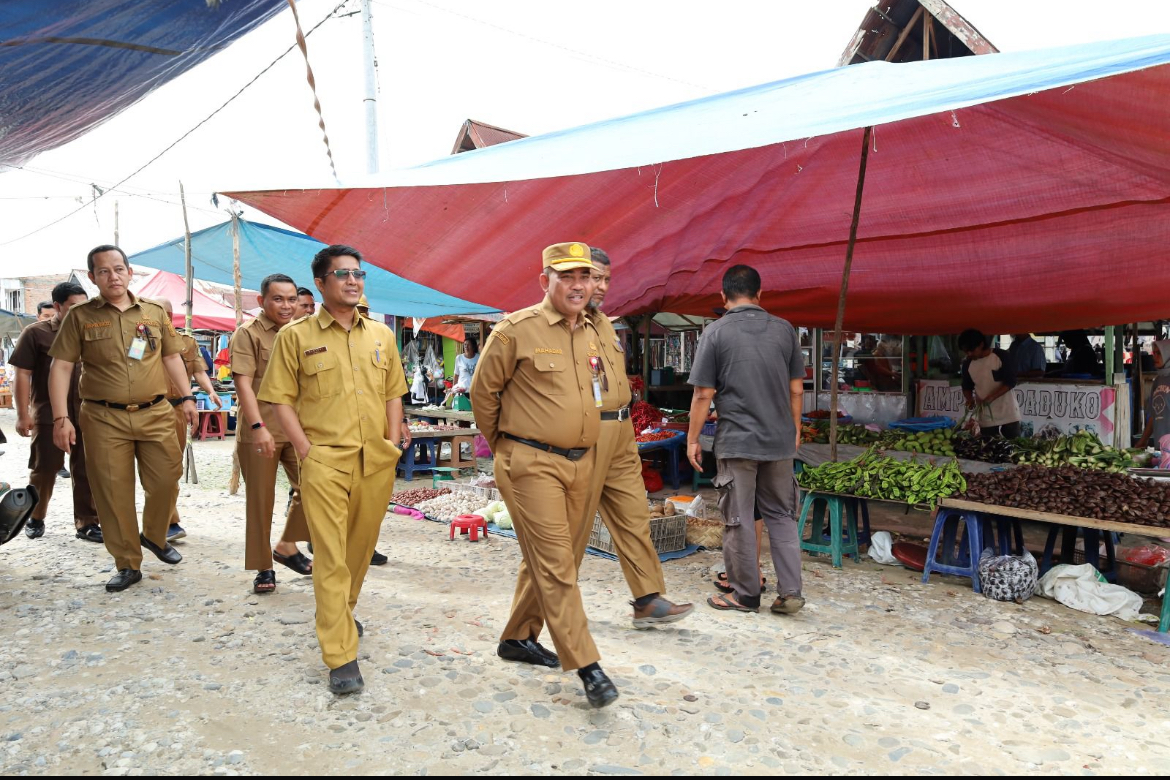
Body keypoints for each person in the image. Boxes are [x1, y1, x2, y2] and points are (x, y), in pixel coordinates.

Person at [472, 241, 619, 709]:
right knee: (557, 563)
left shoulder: (592, 330)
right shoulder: (516, 330)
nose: (578, 286)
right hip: (531, 462)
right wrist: (508, 448)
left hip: (581, 461)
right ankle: (588, 666)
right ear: (545, 281)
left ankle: (517, 637)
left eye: (584, 276)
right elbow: (483, 394)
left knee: (560, 558)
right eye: (566, 276)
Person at [259, 244, 406, 695]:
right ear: (321, 283)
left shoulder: (380, 335)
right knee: (330, 557)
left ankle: (341, 612)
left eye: (358, 274)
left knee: (359, 552)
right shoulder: (295, 336)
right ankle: (340, 655)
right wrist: (305, 449)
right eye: (342, 274)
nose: (353, 281)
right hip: (325, 461)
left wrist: (392, 442)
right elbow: (279, 399)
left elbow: (393, 392)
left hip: (375, 461)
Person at [48, 245, 196, 592]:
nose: (112, 276)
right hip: (103, 417)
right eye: (103, 271)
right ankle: (128, 563)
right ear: (92, 277)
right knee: (113, 492)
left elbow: (171, 356)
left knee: (167, 479)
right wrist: (60, 418)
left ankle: (154, 535)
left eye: (118, 269)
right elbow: (62, 367)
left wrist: (188, 396)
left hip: (156, 412)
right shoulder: (80, 316)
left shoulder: (154, 312)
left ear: (130, 272)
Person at [687, 264, 806, 616]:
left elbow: (703, 394)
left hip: (738, 441)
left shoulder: (716, 332)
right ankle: (790, 592)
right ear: (759, 294)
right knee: (781, 515)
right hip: (779, 441)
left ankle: (745, 595)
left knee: (738, 518)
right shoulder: (784, 330)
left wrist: (692, 439)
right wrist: (794, 429)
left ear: (723, 296)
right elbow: (797, 389)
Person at [230, 273, 313, 594]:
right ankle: (263, 566)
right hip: (260, 429)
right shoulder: (248, 334)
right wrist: (257, 427)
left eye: (291, 299)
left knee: (314, 487)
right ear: (262, 301)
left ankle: (287, 546)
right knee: (261, 502)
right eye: (278, 299)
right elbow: (243, 384)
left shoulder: (304, 333)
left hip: (297, 429)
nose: (286, 306)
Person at [10, 282, 101, 542]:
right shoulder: (35, 333)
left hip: (87, 414)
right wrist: (23, 414)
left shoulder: (93, 332)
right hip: (48, 414)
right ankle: (35, 516)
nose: (81, 311)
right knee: (45, 469)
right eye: (74, 306)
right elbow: (22, 374)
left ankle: (87, 523)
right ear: (58, 306)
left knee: (86, 469)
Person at [158, 298, 221, 541]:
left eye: (161, 313)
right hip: (147, 409)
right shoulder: (140, 342)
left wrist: (210, 391)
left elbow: (198, 370)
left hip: (176, 408)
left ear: (169, 315)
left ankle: (167, 520)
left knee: (172, 465)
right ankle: (164, 520)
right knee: (155, 466)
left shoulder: (186, 342)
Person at [957, 329, 1022, 439]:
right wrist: (969, 399)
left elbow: (1010, 382)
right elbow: (967, 386)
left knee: (1014, 442)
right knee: (989, 444)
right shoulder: (968, 364)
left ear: (981, 344)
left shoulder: (1001, 356)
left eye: (971, 350)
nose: (969, 354)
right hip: (985, 413)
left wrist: (992, 397)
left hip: (1008, 410)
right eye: (966, 351)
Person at [1137, 340, 1170, 448]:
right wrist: (1143, 440)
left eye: (1159, 353)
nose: (1154, 357)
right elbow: (1154, 414)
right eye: (1154, 353)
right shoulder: (1158, 380)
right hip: (1160, 445)